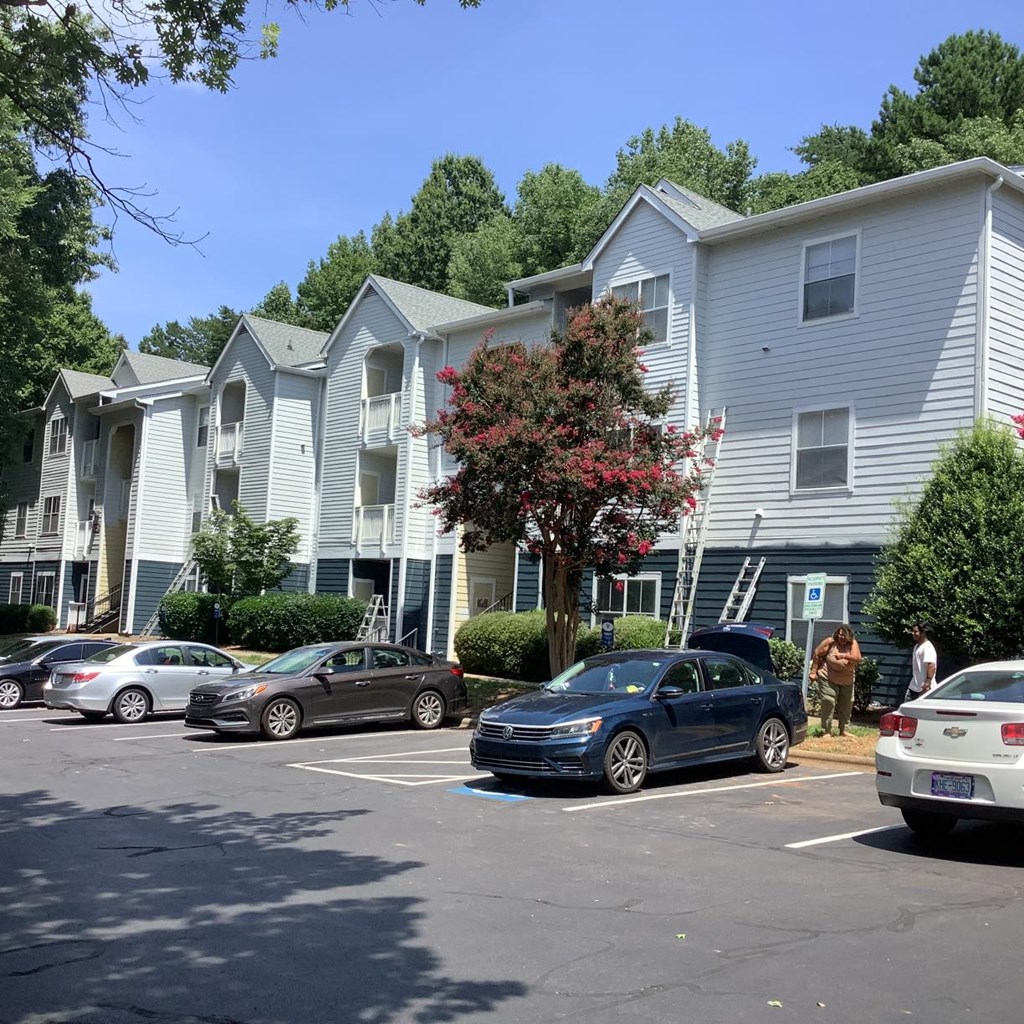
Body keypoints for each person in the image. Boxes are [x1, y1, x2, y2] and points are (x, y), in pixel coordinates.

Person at [810, 624, 862, 738]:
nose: (841, 637)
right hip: (827, 676)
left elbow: (857, 658)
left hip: (847, 679)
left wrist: (843, 656)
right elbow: (817, 654)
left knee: (846, 704)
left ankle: (844, 730)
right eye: (840, 634)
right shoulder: (830, 642)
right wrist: (813, 672)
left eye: (844, 635)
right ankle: (826, 730)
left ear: (849, 636)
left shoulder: (853, 643)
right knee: (828, 700)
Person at [906, 622, 937, 702]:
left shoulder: (927, 647)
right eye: (912, 631)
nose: (913, 633)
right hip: (914, 686)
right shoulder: (917, 646)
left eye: (915, 631)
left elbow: (931, 665)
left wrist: (927, 682)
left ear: (922, 633)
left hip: (924, 689)